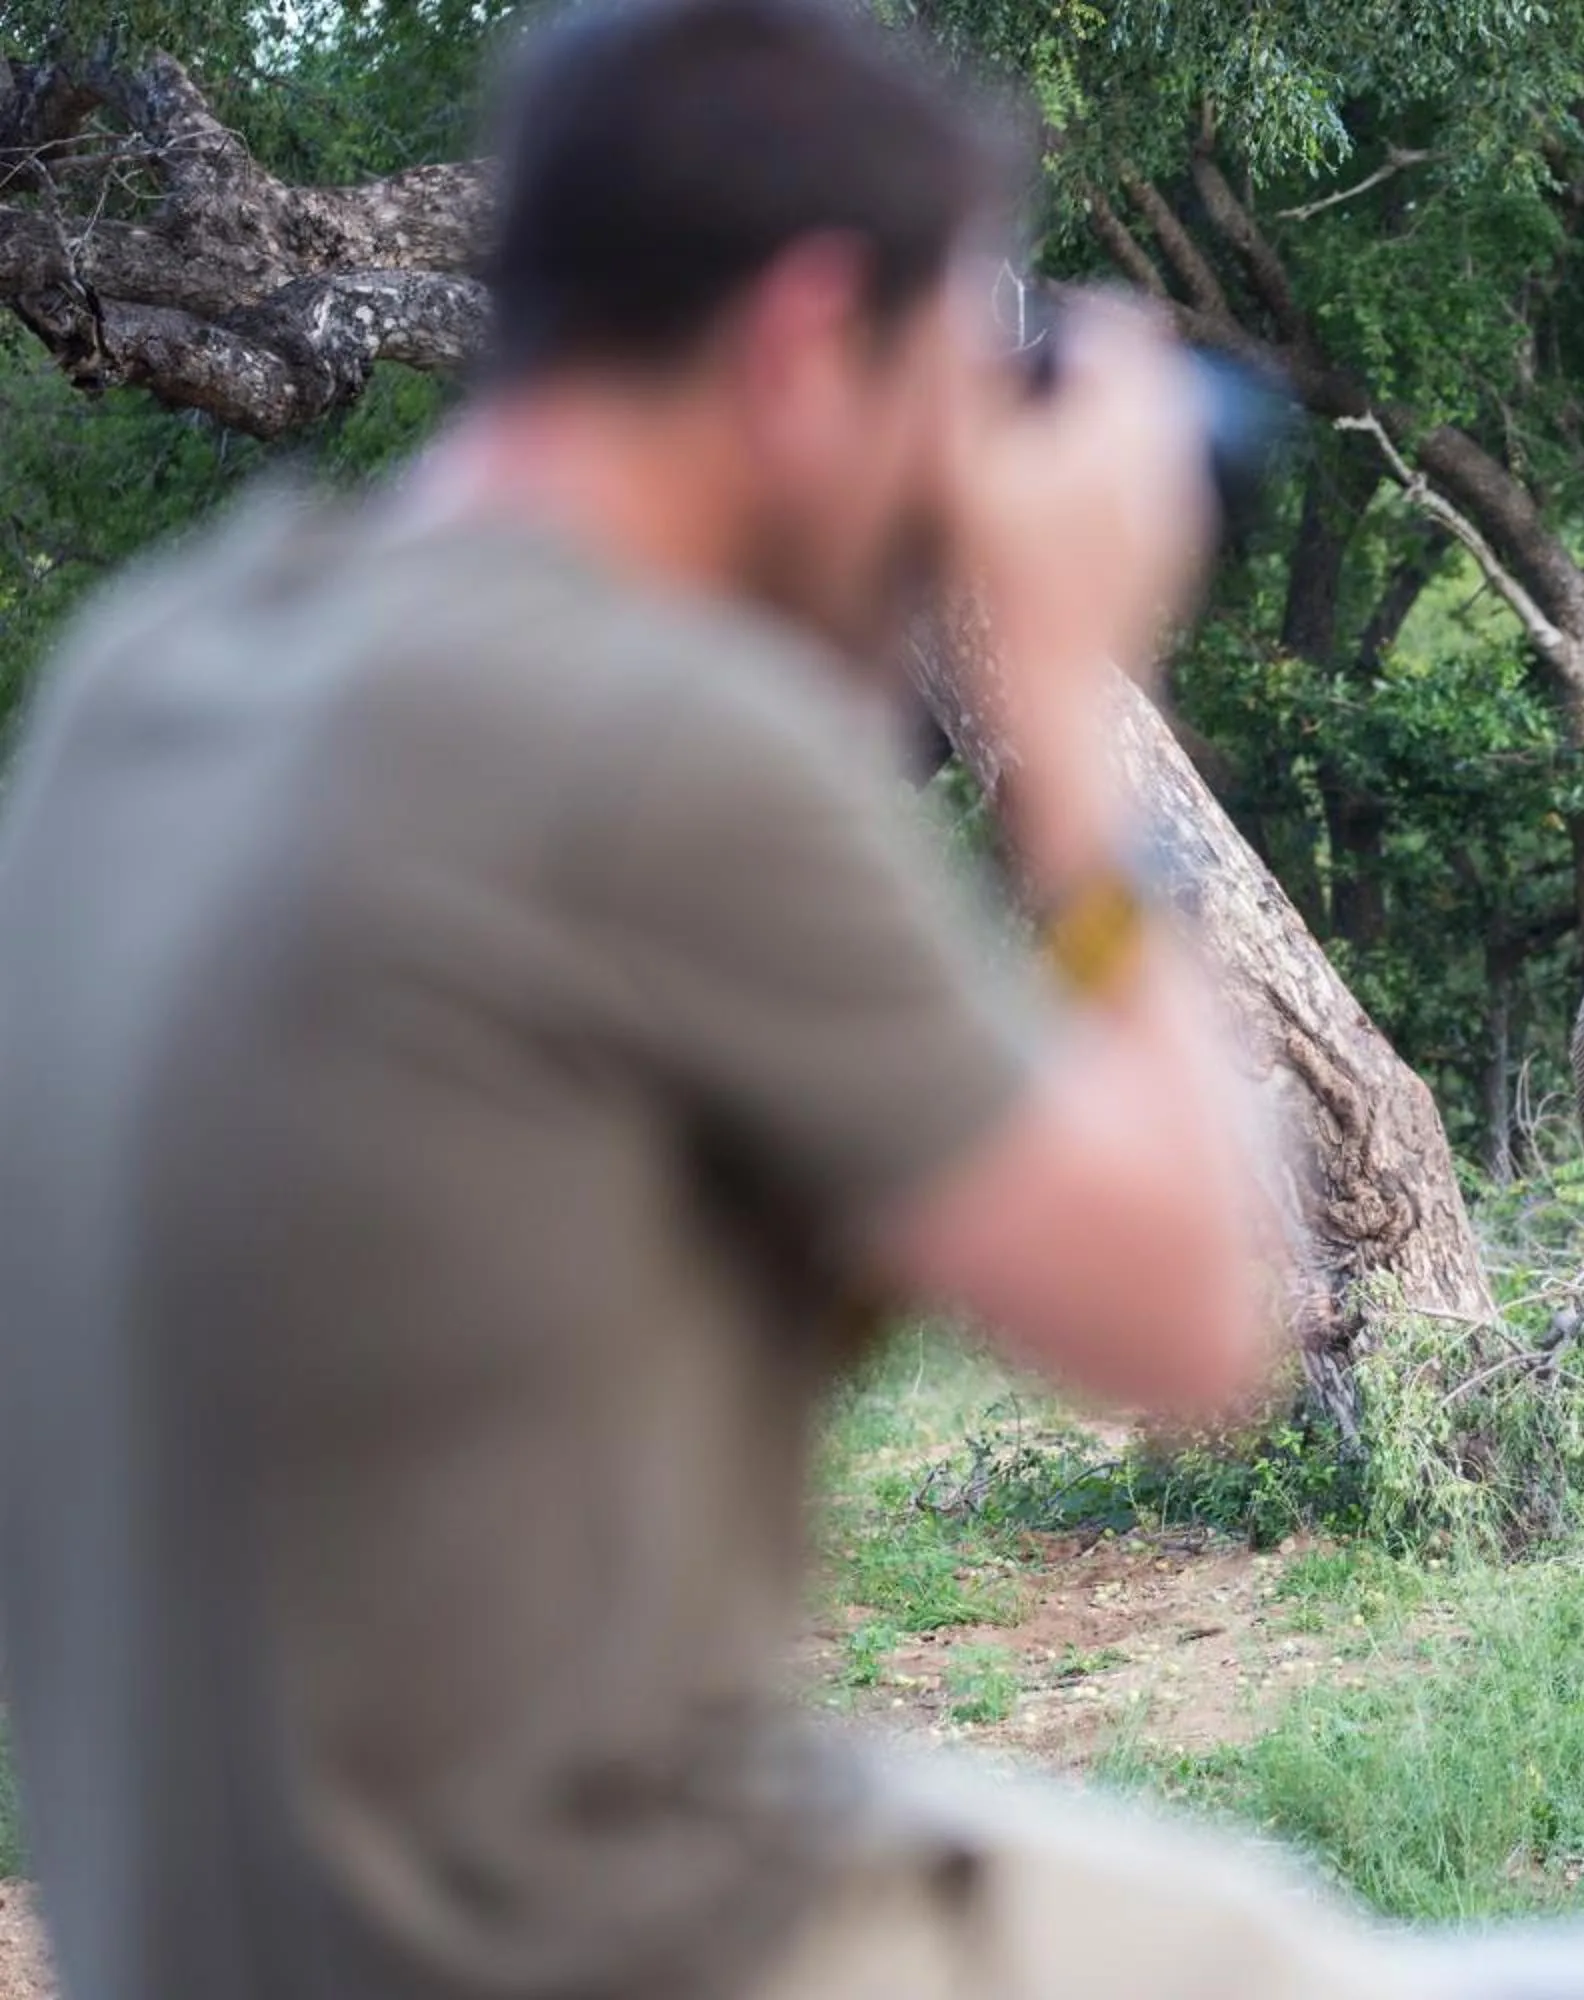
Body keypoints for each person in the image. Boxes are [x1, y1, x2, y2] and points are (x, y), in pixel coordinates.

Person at [0, 1, 1389, 1993]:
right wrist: (1072, 707)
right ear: (810, 344)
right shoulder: (657, 744)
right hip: (579, 1946)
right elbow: (1195, 1315)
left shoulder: (148, 681)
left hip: (197, 1940)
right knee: (1321, 1950)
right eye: (940, 375)